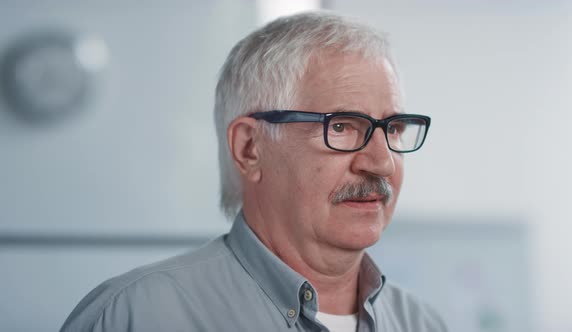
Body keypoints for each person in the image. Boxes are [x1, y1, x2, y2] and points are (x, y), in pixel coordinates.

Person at [61, 11, 446, 332]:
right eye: (342, 127)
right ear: (250, 148)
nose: (380, 162)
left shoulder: (422, 323)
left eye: (393, 128)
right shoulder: (135, 316)